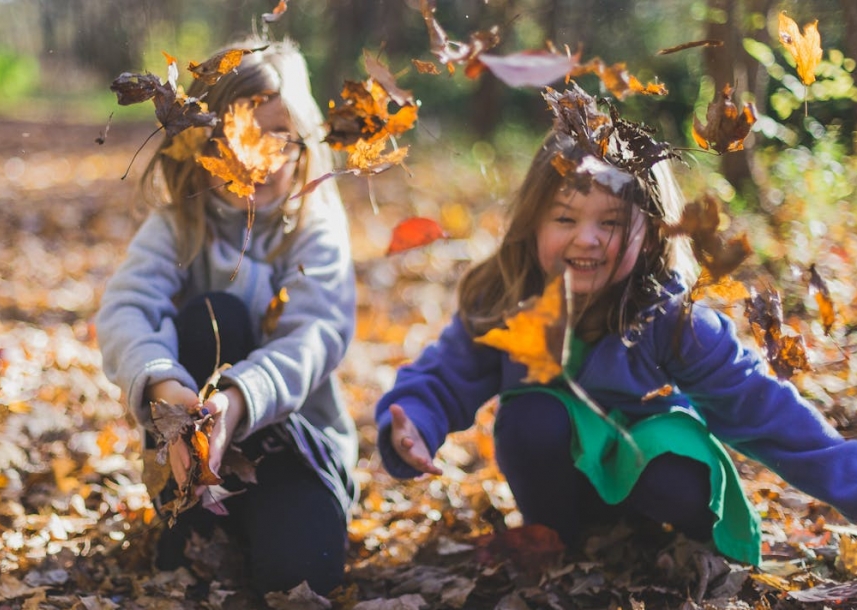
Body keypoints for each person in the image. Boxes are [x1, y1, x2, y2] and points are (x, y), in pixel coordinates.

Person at [374, 86, 857, 566]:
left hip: (655, 476)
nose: (586, 239)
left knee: (672, 466)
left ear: (649, 234)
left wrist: (847, 481)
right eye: (564, 218)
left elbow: (762, 407)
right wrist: (415, 419)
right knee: (531, 416)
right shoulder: (508, 298)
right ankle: (558, 541)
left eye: (611, 223)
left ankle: (669, 544)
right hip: (563, 485)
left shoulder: (671, 318)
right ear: (533, 222)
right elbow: (445, 375)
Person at [96, 38, 357, 596]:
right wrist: (166, 386)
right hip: (190, 455)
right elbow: (126, 309)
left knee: (301, 580)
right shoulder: (178, 226)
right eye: (235, 135)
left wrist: (237, 402)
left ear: (302, 142)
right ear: (199, 143)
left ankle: (277, 524)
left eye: (276, 137)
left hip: (294, 451)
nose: (256, 157)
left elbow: (316, 334)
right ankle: (192, 517)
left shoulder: (313, 226)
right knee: (213, 314)